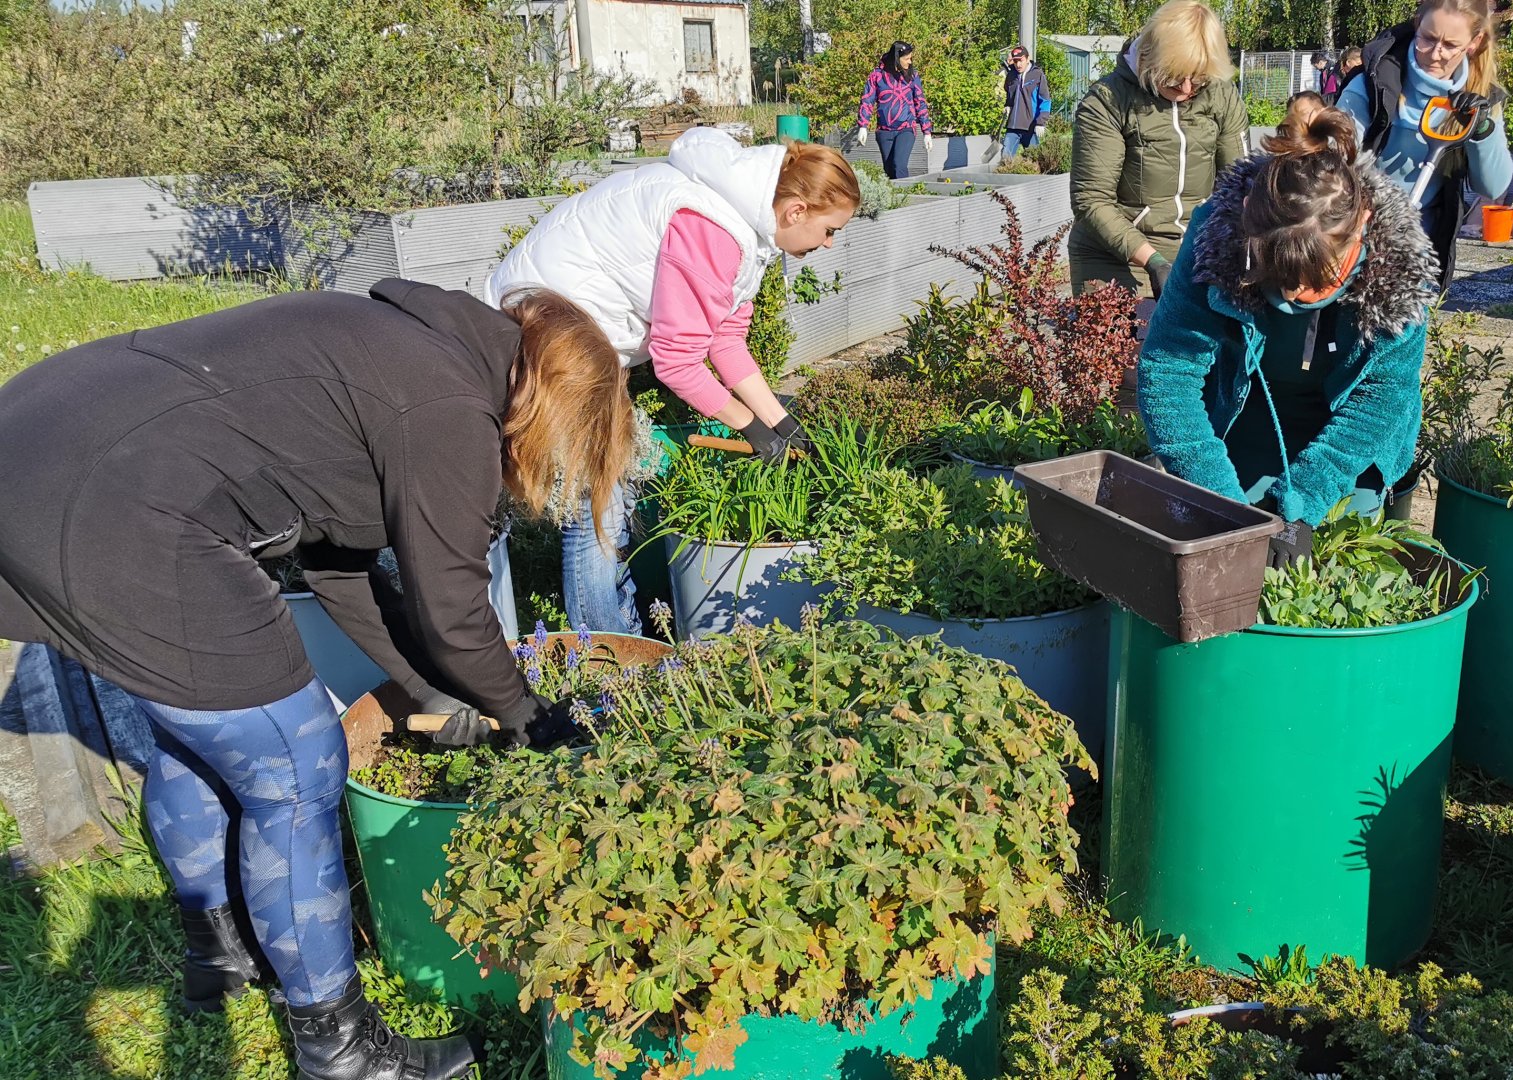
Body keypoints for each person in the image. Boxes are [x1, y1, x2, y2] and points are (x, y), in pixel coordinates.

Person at [0, 279, 629, 1079]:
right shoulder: (444, 410)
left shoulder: (406, 345)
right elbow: (454, 610)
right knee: (299, 767)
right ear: (550, 400)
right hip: (125, 507)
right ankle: (340, 1049)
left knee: (197, 725)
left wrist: (436, 698)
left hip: (33, 452)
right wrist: (529, 716)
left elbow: (343, 569)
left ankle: (222, 954)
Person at [486, 127, 860, 638]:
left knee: (608, 488)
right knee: (599, 499)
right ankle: (606, 650)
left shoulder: (747, 230)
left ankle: (619, 633)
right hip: (541, 337)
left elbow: (724, 343)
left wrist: (781, 421)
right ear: (796, 211)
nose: (830, 243)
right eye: (830, 229)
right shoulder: (713, 229)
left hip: (578, 339)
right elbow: (677, 362)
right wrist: (748, 426)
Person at [1136, 97, 1438, 524]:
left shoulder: (1401, 271)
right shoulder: (1214, 239)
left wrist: (1307, 497)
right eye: (1280, 275)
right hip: (1245, 413)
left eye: (1320, 281)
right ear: (1246, 221)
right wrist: (1223, 505)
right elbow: (1170, 371)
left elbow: (1379, 400)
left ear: (1363, 226)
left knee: (1332, 564)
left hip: (1350, 441)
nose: (1296, 295)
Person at [1070, 0, 1250, 302]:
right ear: (1150, 57)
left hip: (1196, 254)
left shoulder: (1222, 95)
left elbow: (1239, 184)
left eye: (1198, 77)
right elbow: (1091, 200)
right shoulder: (1108, 101)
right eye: (1175, 75)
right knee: (1123, 347)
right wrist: (1154, 261)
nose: (1186, 87)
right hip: (1117, 257)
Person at [1338, 0, 1513, 286]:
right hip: (1354, 241)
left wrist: (1482, 129)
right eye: (1428, 39)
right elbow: (1334, 161)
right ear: (1417, 24)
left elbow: (1493, 186)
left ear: (1474, 41)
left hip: (1419, 248)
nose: (1435, 54)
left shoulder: (1480, 97)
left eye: (1450, 45)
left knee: (1402, 330)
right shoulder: (1372, 82)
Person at [857, 40, 932, 179]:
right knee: (889, 169)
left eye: (911, 58)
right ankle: (894, 199)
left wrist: (926, 131)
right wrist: (863, 126)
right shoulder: (877, 76)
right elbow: (867, 99)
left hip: (906, 128)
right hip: (884, 130)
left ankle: (905, 195)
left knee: (899, 165)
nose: (910, 62)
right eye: (907, 59)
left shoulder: (912, 76)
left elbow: (920, 102)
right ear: (897, 58)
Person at [1002, 44, 1054, 160]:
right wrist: (1008, 106)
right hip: (1013, 127)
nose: (1018, 65)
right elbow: (1010, 96)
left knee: (1035, 161)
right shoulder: (1011, 76)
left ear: (1027, 58)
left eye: (1021, 61)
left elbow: (1045, 100)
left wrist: (1041, 122)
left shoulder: (1037, 75)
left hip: (1030, 127)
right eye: (1015, 61)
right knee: (1005, 159)